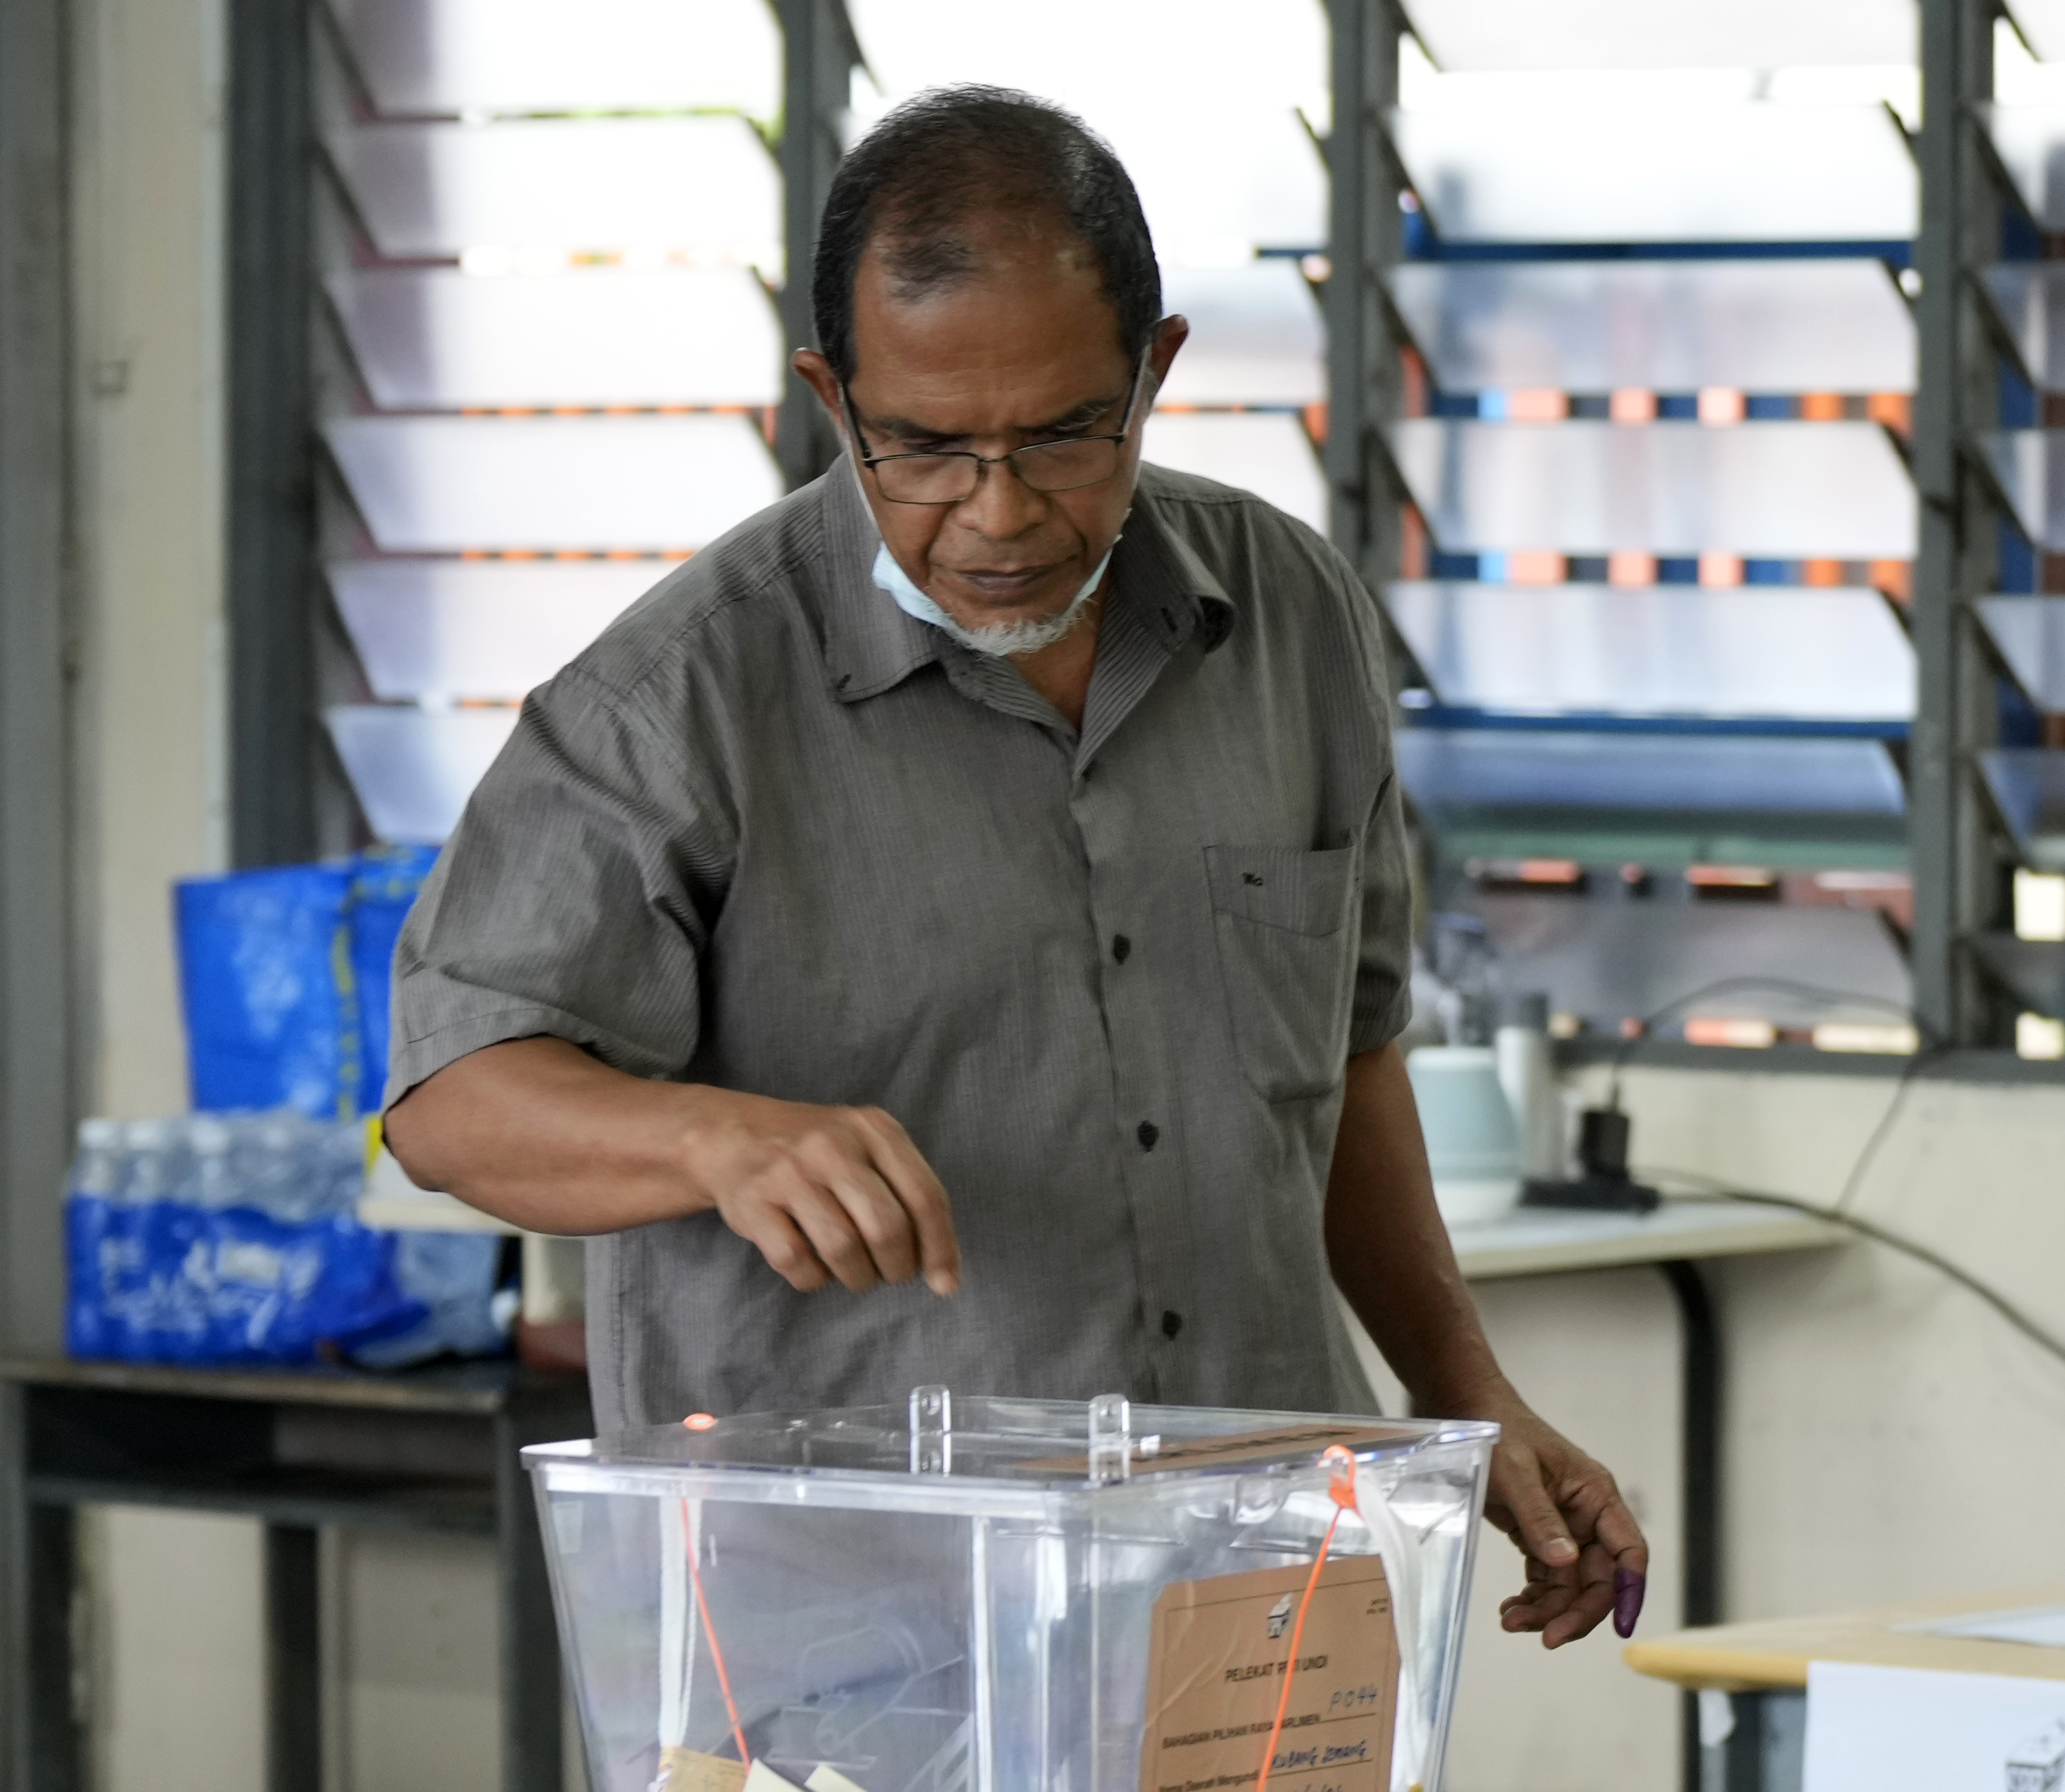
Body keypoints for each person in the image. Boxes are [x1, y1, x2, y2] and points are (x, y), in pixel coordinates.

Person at [382, 88, 1642, 1646]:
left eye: (1062, 436)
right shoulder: (684, 697)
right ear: (833, 397)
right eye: (924, 448)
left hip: (1261, 1585)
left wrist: (1462, 1392)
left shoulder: (1288, 619)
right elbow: (451, 1100)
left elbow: (1348, 1055)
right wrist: (715, 1143)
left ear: (1155, 372)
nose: (999, 515)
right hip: (858, 1645)